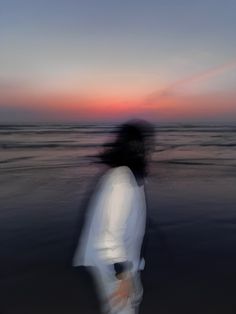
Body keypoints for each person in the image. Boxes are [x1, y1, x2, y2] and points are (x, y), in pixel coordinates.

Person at [72, 120, 154, 314]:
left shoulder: (130, 178)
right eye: (145, 145)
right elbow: (109, 236)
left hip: (124, 259)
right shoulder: (121, 181)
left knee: (134, 297)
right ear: (137, 147)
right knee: (122, 309)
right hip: (111, 262)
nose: (149, 150)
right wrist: (123, 275)